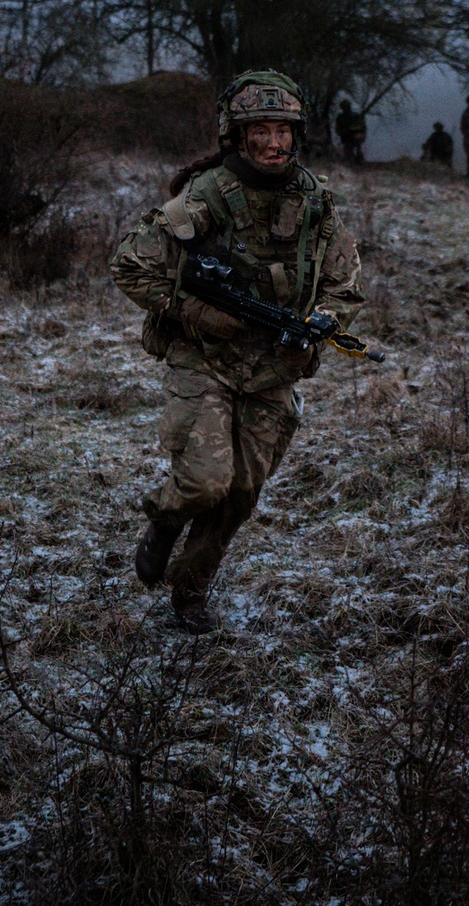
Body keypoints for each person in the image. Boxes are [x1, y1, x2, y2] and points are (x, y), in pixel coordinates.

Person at [110, 69, 363, 633]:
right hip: (204, 359)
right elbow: (129, 264)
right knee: (204, 482)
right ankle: (167, 519)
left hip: (275, 367)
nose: (275, 143)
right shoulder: (207, 195)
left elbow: (346, 283)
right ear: (237, 135)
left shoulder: (316, 203)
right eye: (262, 131)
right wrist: (201, 312)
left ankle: (190, 594)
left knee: (240, 495)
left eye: (284, 131)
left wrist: (326, 319)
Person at [334, 98, 367, 164]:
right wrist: (344, 132)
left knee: (357, 144)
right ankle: (350, 159)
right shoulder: (340, 117)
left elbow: (362, 127)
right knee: (348, 148)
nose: (346, 108)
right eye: (344, 107)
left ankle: (358, 158)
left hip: (355, 136)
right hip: (346, 136)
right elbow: (338, 129)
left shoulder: (355, 116)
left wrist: (355, 130)